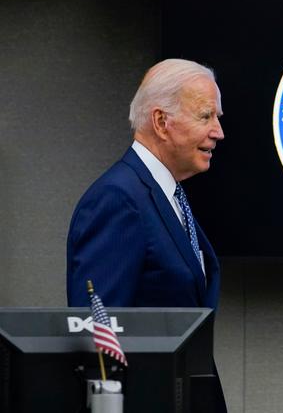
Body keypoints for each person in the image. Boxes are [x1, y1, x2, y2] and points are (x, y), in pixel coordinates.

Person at [66, 59, 227, 411]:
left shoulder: (166, 193)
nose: (218, 131)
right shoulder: (119, 198)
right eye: (205, 116)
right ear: (161, 122)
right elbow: (99, 338)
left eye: (217, 118)